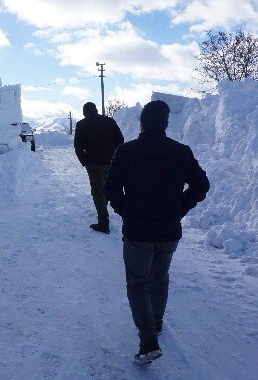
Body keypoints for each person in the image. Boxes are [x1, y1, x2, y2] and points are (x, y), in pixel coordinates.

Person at [104, 100, 210, 365]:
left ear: (141, 122)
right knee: (160, 276)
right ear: (165, 123)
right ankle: (157, 323)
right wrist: (181, 208)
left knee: (138, 283)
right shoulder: (180, 151)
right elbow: (201, 185)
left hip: (138, 232)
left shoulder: (126, 151)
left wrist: (125, 211)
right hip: (168, 231)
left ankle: (148, 340)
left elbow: (111, 188)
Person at [74, 101, 124, 233]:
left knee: (97, 191)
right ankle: (106, 209)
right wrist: (114, 155)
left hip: (94, 164)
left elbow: (78, 146)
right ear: (96, 110)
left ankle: (103, 223)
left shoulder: (81, 124)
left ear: (85, 112)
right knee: (107, 187)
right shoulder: (109, 121)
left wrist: (85, 161)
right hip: (111, 161)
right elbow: (121, 140)